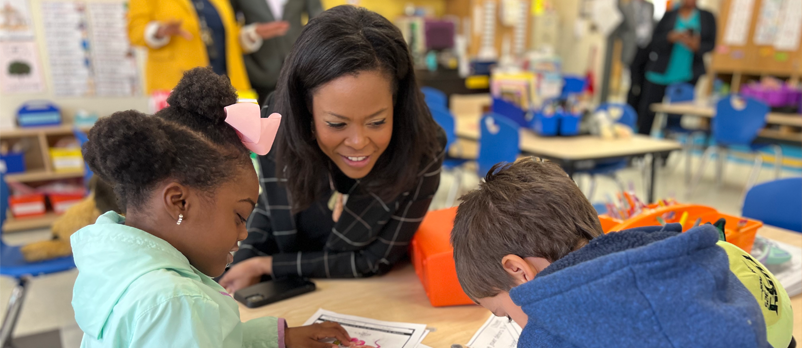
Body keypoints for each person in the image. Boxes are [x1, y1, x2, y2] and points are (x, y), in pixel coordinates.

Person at [71, 68, 352, 348]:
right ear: (179, 202)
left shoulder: (121, 269)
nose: (243, 234)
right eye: (239, 216)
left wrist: (279, 338)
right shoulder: (175, 301)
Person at [450, 157, 794, 348]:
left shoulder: (550, 334)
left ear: (518, 271)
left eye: (504, 313)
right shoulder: (683, 253)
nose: (515, 325)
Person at [220, 6, 446, 292]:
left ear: (397, 105)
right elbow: (271, 210)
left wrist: (266, 266)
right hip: (290, 301)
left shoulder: (422, 148)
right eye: (337, 124)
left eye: (377, 122)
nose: (358, 142)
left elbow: (373, 260)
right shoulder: (278, 123)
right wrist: (238, 262)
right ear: (306, 112)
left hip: (366, 296)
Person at [127, 0, 289, 93]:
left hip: (224, 83)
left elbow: (228, 36)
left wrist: (252, 33)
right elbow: (135, 32)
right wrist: (161, 30)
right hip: (178, 86)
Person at [635, 0, 716, 136]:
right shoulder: (670, 14)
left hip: (687, 74)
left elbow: (711, 44)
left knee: (675, 118)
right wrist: (671, 37)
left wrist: (696, 45)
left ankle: (665, 152)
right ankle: (639, 149)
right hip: (660, 72)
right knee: (647, 114)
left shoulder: (707, 16)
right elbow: (655, 41)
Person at [231, 0, 324, 105]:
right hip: (259, 71)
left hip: (299, 67)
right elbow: (228, 27)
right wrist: (253, 33)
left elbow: (319, 22)